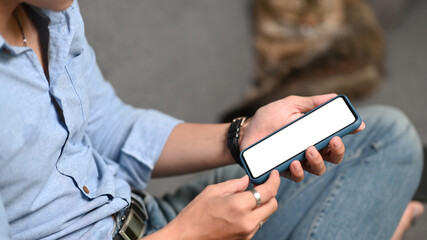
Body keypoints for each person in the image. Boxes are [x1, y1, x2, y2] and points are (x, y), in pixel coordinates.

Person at [0, 0, 423, 239]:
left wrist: (241, 136)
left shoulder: (49, 12)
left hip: (145, 216)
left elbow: (109, 126)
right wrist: (190, 235)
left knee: (389, 140)